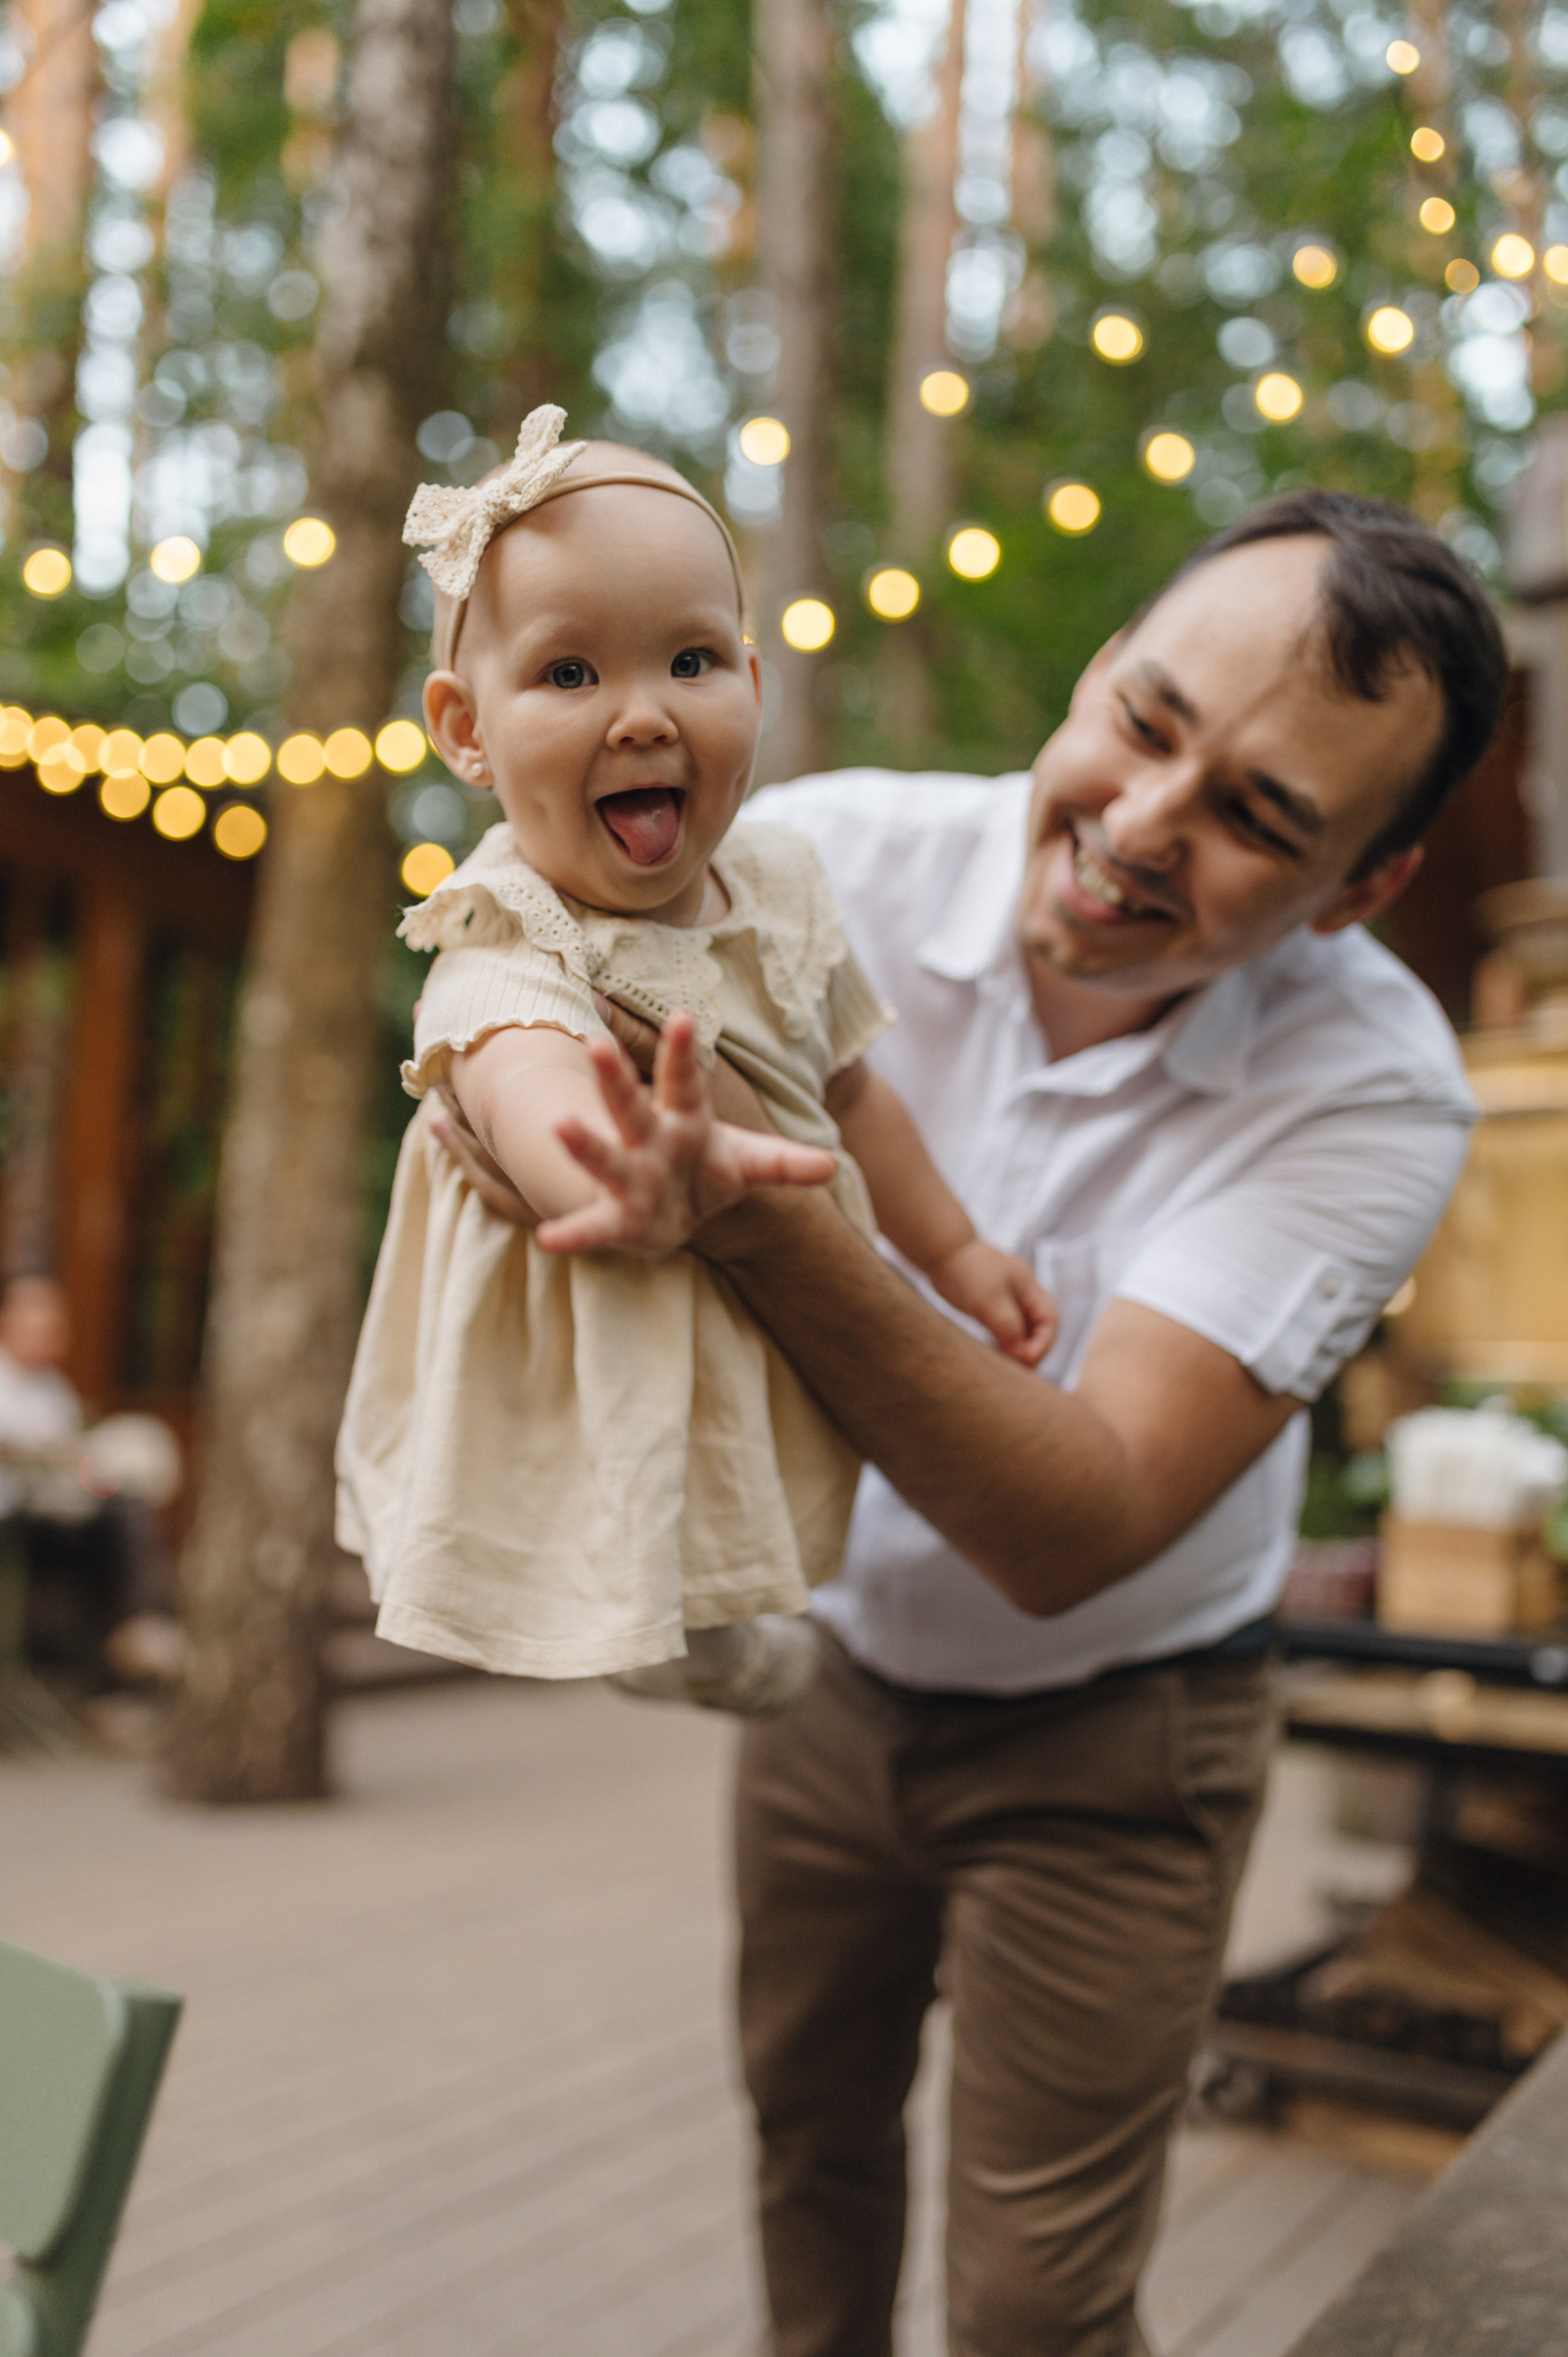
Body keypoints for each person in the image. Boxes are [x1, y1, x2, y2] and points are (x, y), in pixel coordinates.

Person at [435, 490, 1506, 2355]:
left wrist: (762, 1211)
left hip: (1118, 1729)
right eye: (1146, 721)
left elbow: (1067, 1527)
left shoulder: (1378, 1096)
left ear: (1357, 890)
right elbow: (527, 982)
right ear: (1095, 673)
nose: (1138, 828)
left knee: (1034, 2300)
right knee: (808, 2143)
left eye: (1259, 817)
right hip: (825, 1677)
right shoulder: (820, 859)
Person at [336, 405, 1054, 1716]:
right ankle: (684, 1651)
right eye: (568, 675)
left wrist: (953, 1254)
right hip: (591, 1325)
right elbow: (523, 1076)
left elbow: (851, 1090)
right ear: (463, 727)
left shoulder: (776, 886)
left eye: (689, 660)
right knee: (634, 1554)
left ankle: (746, 1632)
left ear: (754, 681)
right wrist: (610, 1168)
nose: (640, 716)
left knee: (745, 1510)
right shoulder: (509, 927)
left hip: (747, 1325)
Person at [0, 1276, 181, 1686]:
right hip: (13, 1523)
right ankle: (141, 1630)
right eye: (39, 1318)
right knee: (120, 1520)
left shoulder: (51, 1388)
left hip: (53, 1514)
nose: (52, 1330)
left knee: (123, 1507)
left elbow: (71, 1457)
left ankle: (134, 1642)